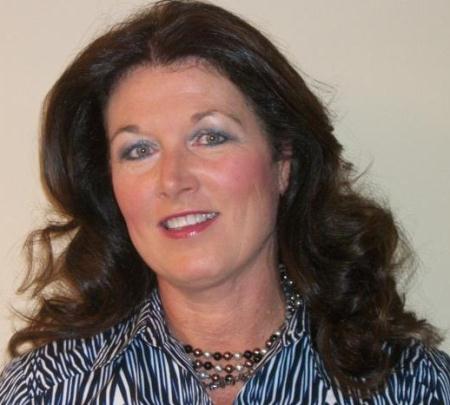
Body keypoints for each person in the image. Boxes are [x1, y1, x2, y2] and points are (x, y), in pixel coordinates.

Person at [0, 0, 449, 403]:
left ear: (283, 161)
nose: (172, 180)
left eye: (210, 137)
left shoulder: (414, 388)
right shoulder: (44, 391)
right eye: (138, 150)